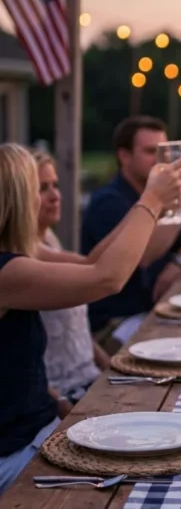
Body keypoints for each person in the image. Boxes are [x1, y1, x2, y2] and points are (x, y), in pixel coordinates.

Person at [0, 142, 181, 494]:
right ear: (17, 199)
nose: (45, 198)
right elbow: (107, 278)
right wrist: (151, 200)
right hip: (15, 455)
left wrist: (57, 401)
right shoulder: (6, 273)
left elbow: (91, 265)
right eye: (36, 189)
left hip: (41, 426)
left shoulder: (20, 254)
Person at [82, 116, 181, 347]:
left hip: (153, 310)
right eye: (150, 151)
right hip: (114, 324)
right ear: (124, 156)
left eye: (163, 151)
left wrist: (177, 263)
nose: (160, 160)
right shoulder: (109, 202)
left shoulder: (160, 198)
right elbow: (142, 256)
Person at [34, 151, 109, 405]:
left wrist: (108, 365)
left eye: (55, 185)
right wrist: (150, 205)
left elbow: (75, 328)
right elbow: (97, 268)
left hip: (90, 380)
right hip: (65, 395)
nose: (55, 196)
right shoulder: (27, 253)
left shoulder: (50, 240)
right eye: (42, 188)